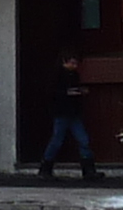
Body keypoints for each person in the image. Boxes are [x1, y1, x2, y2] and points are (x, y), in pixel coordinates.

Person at [40, 51, 99, 182]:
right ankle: (87, 169)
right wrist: (71, 93)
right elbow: (52, 93)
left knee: (82, 139)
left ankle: (47, 167)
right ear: (64, 62)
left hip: (70, 113)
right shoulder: (58, 76)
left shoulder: (70, 75)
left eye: (75, 63)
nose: (75, 65)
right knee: (59, 140)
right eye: (72, 62)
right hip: (63, 112)